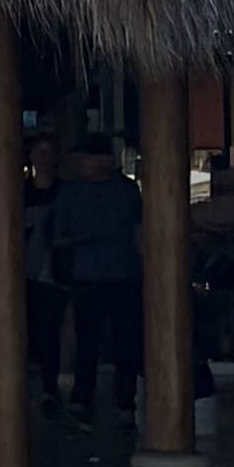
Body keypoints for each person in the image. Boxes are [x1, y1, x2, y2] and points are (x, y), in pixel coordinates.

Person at [44, 135, 144, 421]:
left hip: (120, 274)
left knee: (122, 340)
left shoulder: (124, 190)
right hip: (91, 275)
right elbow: (57, 236)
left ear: (104, 160)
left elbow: (140, 231)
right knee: (90, 339)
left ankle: (122, 400)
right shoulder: (74, 191)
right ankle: (87, 398)